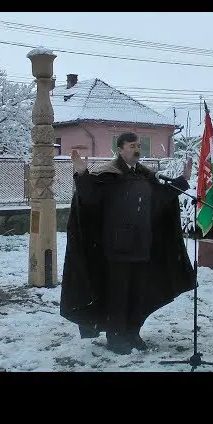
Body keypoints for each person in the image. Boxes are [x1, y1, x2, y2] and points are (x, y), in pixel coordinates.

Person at [59, 132, 196, 355]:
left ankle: (133, 332)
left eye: (138, 145)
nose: (137, 149)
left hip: (143, 247)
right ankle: (115, 336)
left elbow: (162, 196)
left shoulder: (144, 176)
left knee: (138, 294)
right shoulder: (108, 175)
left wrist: (182, 181)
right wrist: (82, 173)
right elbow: (90, 198)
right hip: (117, 249)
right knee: (118, 295)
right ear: (120, 149)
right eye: (132, 145)